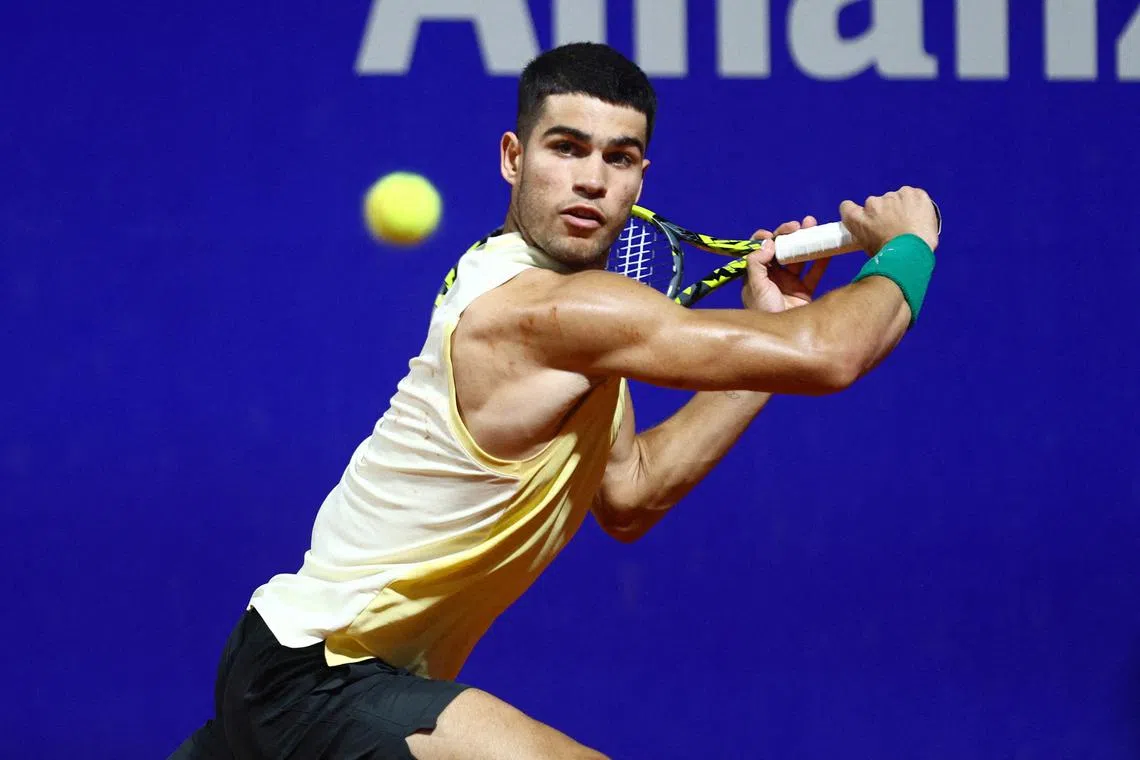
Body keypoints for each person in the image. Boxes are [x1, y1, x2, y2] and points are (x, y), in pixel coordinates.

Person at [171, 42, 940, 760]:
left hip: (309, 670)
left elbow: (632, 492)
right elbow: (832, 354)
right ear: (515, 158)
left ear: (641, 180)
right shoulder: (552, 312)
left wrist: (767, 331)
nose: (592, 179)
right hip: (320, 675)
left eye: (620, 157)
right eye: (566, 148)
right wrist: (911, 247)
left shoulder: (563, 311)